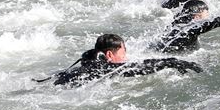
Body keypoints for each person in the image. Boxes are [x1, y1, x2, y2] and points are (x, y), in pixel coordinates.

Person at [35, 34, 203, 87]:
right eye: (124, 52)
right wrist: (171, 62)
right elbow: (135, 68)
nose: (126, 57)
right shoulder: (101, 68)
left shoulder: (85, 64)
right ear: (109, 55)